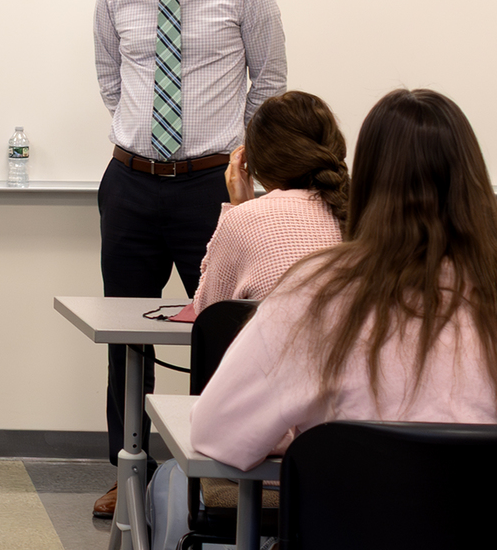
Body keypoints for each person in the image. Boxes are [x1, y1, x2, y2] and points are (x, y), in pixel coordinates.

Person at [92, 0, 286, 516]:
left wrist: (240, 161)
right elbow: (111, 78)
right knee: (126, 331)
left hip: (211, 186)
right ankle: (129, 468)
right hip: (131, 183)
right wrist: (145, 142)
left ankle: (217, 469)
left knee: (220, 328)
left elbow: (270, 82)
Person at [192, 89, 497, 475]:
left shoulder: (315, 290)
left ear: (366, 179)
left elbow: (215, 431)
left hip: (348, 511)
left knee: (166, 486)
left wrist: (298, 435)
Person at [190, 91, 348, 314]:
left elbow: (208, 310)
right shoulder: (363, 210)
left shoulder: (242, 219)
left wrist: (237, 207)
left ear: (257, 162)